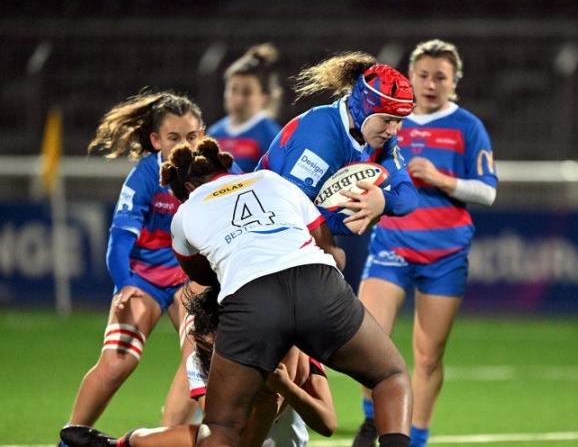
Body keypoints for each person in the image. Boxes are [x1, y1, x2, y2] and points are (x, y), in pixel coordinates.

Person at [158, 138, 412, 447]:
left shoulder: (184, 215)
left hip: (251, 302)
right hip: (317, 284)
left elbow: (204, 277)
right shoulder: (271, 180)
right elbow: (330, 250)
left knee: (222, 426)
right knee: (390, 377)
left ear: (184, 188)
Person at [59, 92, 241, 444]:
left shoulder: (220, 169)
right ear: (156, 140)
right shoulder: (144, 176)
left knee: (199, 359)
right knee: (118, 361)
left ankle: (166, 439)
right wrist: (124, 283)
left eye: (191, 137)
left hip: (190, 276)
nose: (183, 145)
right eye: (173, 138)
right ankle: (70, 439)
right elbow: (120, 238)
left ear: (202, 133)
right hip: (143, 277)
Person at [352, 39, 498, 447]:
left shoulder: (467, 127)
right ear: (410, 78)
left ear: (455, 83)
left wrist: (442, 179)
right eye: (423, 75)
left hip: (444, 255)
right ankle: (370, 422)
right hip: (392, 245)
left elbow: (488, 191)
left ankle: (414, 439)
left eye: (441, 77)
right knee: (369, 339)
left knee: (428, 356)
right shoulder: (393, 119)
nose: (431, 84)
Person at [60, 286, 337, 447]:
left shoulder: (288, 347)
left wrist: (286, 388)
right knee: (150, 439)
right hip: (228, 442)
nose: (214, 356)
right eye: (206, 347)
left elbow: (327, 423)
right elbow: (220, 428)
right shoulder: (199, 358)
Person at [257, 52, 418, 236]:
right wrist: (345, 224)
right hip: (262, 224)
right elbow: (291, 211)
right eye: (387, 119)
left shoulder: (382, 134)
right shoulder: (322, 137)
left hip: (288, 225)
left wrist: (383, 201)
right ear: (362, 108)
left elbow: (408, 196)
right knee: (337, 255)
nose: (393, 130)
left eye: (399, 120)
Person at [207, 43, 282, 173]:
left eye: (247, 92)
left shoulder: (271, 135)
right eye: (233, 90)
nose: (238, 99)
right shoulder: (214, 133)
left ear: (264, 96)